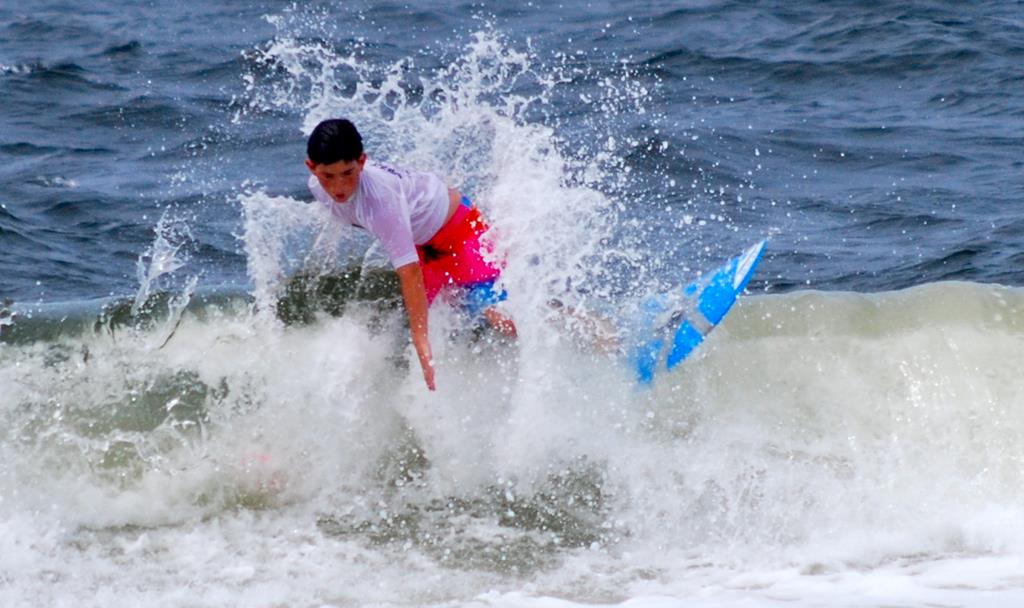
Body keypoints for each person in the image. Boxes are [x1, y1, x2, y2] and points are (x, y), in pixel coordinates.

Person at [305, 118, 516, 391]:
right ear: (311, 167)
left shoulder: (380, 200)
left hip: (462, 234)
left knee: (502, 320)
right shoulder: (315, 188)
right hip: (425, 248)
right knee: (447, 321)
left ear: (362, 161)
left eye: (348, 173)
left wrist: (420, 338)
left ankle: (566, 330)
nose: (339, 187)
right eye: (328, 177)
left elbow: (409, 271)